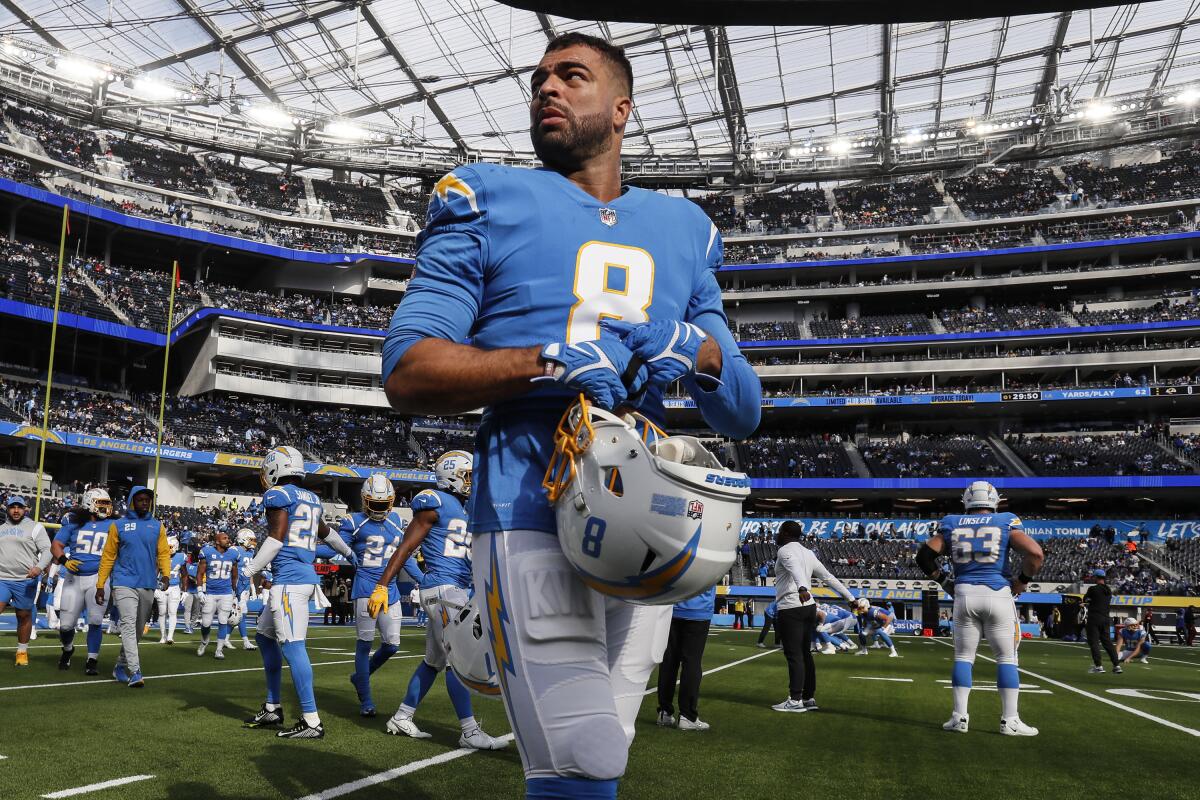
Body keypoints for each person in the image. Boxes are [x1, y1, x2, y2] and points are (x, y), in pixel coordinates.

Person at [380, 31, 760, 798]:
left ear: (621, 108)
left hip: (644, 516)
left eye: (571, 76)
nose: (546, 88)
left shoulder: (684, 227)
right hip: (529, 499)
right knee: (584, 753)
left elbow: (744, 410)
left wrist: (700, 351)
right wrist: (541, 360)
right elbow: (408, 369)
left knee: (595, 756)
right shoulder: (485, 196)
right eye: (539, 78)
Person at [369, 453, 506, 749]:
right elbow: (406, 547)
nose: (471, 481)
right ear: (451, 475)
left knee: (433, 661)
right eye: (466, 475)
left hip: (456, 589)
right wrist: (382, 584)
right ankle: (469, 732)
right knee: (458, 662)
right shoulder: (434, 501)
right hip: (444, 590)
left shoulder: (467, 507)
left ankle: (402, 716)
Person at [242, 445, 357, 739]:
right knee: (264, 637)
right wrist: (347, 552)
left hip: (290, 582)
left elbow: (276, 538)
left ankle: (311, 720)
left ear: (274, 468)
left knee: (293, 646)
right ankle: (272, 706)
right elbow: (326, 533)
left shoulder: (277, 494)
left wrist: (250, 569)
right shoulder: (311, 497)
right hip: (300, 579)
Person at [917, 480, 1044, 736]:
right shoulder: (1005, 520)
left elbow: (923, 556)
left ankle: (959, 717)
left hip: (964, 594)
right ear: (994, 500)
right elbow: (1035, 554)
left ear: (966, 500)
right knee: (1007, 658)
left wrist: (944, 580)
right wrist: (1022, 581)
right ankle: (1010, 720)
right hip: (998, 593)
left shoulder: (952, 522)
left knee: (963, 657)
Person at [315, 473, 422, 718]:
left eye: (384, 504)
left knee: (392, 645)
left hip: (391, 589)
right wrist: (305, 550)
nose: (380, 509)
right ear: (364, 500)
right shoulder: (353, 521)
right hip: (365, 588)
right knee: (364, 644)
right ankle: (366, 699)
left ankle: (360, 677)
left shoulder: (396, 520)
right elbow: (337, 548)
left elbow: (404, 557)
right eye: (375, 504)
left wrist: (423, 580)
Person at [771, 521, 854, 713]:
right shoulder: (808, 553)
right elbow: (828, 577)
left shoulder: (784, 550)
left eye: (779, 531)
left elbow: (794, 568)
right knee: (805, 653)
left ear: (784, 533)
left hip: (791, 606)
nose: (777, 534)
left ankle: (795, 700)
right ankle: (808, 698)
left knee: (794, 654)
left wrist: (802, 587)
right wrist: (850, 597)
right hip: (809, 607)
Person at [95, 486, 170, 688]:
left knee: (137, 631)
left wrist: (166, 574)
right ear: (131, 502)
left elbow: (163, 553)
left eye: (147, 500)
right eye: (140, 500)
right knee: (128, 624)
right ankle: (135, 672)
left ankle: (119, 666)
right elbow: (108, 555)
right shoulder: (118, 525)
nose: (145, 503)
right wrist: (101, 584)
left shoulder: (157, 526)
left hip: (147, 583)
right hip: (123, 581)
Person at [52, 489, 114, 672]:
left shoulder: (113, 525)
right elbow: (56, 545)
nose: (105, 508)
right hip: (74, 578)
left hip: (98, 578)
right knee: (65, 625)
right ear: (89, 503)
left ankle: (92, 660)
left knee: (95, 620)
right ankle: (68, 648)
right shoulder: (74, 521)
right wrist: (65, 561)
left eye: (107, 504)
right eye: (101, 503)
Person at [0, 495, 52, 666]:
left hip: (25, 579)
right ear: (7, 509)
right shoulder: (1, 528)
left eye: (19, 507)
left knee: (23, 616)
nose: (16, 510)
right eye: (12, 507)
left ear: (25, 509)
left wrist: (39, 567)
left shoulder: (35, 527)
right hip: (2, 578)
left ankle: (22, 652)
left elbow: (48, 550)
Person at [656, 583, 715, 731]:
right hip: (699, 609)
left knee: (668, 661)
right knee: (692, 662)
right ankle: (687, 716)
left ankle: (664, 712)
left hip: (672, 606)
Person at [195, 531, 240, 660]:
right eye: (225, 538)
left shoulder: (233, 554)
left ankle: (219, 650)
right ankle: (204, 642)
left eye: (228, 537)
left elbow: (234, 575)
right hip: (210, 593)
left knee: (223, 621)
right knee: (206, 623)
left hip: (226, 593)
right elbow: (200, 573)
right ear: (217, 541)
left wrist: (234, 592)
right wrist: (199, 590)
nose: (228, 540)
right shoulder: (207, 552)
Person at [1082, 569, 1121, 674]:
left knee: (1094, 642)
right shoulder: (1108, 590)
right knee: (1107, 643)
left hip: (1094, 618)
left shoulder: (1093, 589)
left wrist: (1088, 602)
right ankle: (1116, 665)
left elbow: (1085, 599)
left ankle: (1098, 666)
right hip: (1106, 618)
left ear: (1096, 577)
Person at [156, 535, 186, 644]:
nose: (167, 548)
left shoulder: (181, 557)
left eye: (169, 546)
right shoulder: (160, 556)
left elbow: (184, 575)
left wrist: (185, 590)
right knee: (162, 612)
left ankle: (170, 636)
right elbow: (155, 572)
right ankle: (163, 636)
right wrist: (154, 587)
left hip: (174, 587)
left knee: (173, 612)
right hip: (161, 587)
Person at [233, 529, 258, 650]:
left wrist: (253, 587)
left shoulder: (250, 552)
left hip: (246, 586)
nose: (253, 542)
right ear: (243, 539)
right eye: (251, 540)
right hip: (237, 586)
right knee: (241, 614)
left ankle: (225, 639)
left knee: (236, 615)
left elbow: (250, 570)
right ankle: (245, 641)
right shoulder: (235, 551)